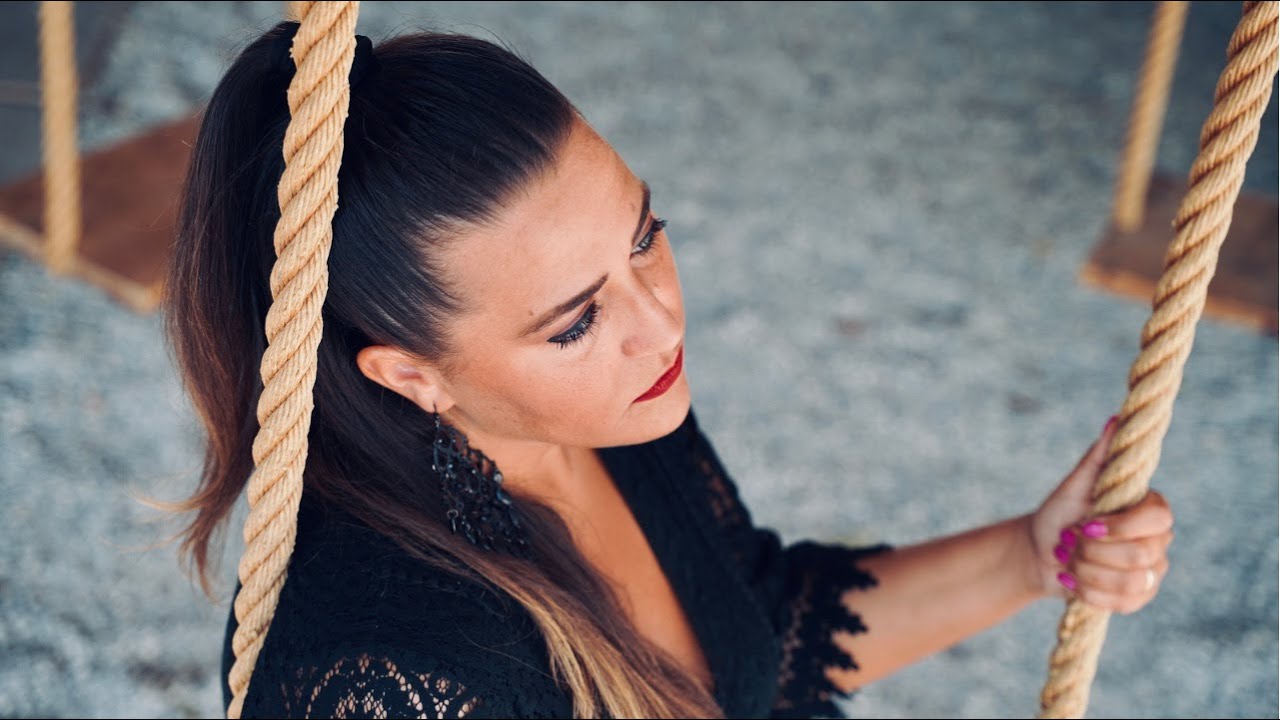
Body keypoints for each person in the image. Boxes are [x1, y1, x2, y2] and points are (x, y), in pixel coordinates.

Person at [164, 20, 1175, 720]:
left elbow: (756, 632)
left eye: (644, 237)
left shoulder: (610, 413)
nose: (659, 324)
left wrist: (1030, 558)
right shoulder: (383, 673)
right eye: (574, 323)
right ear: (410, 376)